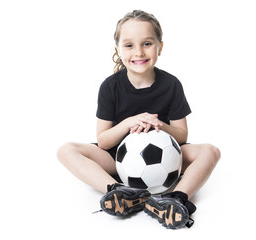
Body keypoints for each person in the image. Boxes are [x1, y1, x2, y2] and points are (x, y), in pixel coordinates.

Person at [57, 10, 220, 229]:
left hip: (168, 157)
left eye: (147, 43)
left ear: (160, 47)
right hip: (118, 158)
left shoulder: (171, 85)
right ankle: (120, 192)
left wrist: (158, 125)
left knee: (211, 151)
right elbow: (103, 141)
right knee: (66, 150)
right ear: (118, 49)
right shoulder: (110, 87)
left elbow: (182, 136)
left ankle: (176, 199)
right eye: (129, 45)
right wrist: (128, 122)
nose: (138, 52)